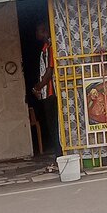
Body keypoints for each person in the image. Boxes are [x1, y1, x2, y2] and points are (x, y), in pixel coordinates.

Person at [32, 23, 62, 160]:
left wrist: (38, 86)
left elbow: (49, 71)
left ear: (43, 31)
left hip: (51, 91)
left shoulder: (50, 48)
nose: (35, 33)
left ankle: (59, 152)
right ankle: (58, 151)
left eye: (37, 30)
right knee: (52, 123)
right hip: (46, 91)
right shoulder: (45, 48)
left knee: (53, 123)